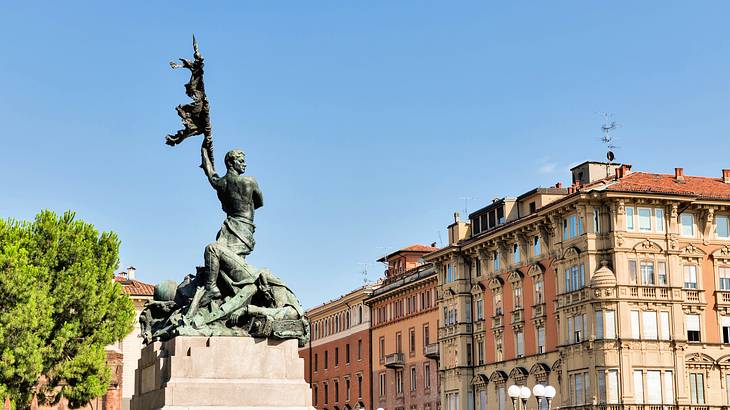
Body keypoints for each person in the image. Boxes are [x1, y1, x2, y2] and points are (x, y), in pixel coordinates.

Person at [199, 141, 263, 302]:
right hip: (243, 227)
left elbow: (209, 171)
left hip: (233, 227)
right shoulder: (250, 181)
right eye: (241, 161)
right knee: (224, 259)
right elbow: (260, 202)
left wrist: (204, 149)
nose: (245, 164)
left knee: (221, 258)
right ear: (230, 163)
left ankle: (217, 289)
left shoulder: (221, 184)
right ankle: (217, 290)